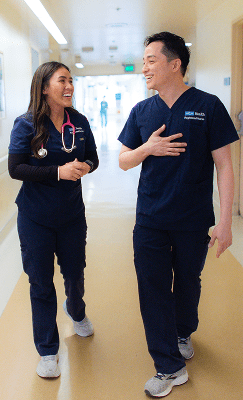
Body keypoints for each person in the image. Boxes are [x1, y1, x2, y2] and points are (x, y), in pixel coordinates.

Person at [118, 32, 239, 397]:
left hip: (192, 219)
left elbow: (225, 165)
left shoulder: (208, 105)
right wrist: (148, 148)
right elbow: (123, 160)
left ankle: (183, 330)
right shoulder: (142, 111)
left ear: (175, 64)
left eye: (151, 60)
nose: (144, 68)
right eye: (143, 62)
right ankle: (168, 366)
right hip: (151, 219)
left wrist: (226, 222)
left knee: (188, 282)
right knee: (152, 289)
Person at [8, 61, 99, 379]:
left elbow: (94, 158)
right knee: (41, 283)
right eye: (62, 80)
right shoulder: (27, 124)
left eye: (71, 80)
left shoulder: (80, 122)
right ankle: (48, 351)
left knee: (75, 273)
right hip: (36, 219)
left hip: (72, 216)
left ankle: (76, 311)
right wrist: (57, 172)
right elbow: (16, 168)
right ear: (44, 87)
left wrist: (85, 167)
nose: (69, 86)